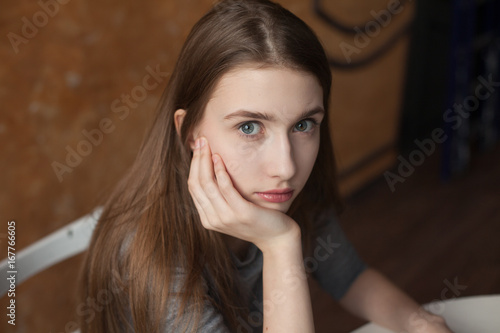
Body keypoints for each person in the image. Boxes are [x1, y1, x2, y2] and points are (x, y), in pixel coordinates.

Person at [78, 0, 453, 332]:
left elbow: (350, 277)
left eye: (303, 124)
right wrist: (279, 243)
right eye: (249, 127)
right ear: (190, 131)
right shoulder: (151, 255)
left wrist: (419, 322)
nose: (286, 166)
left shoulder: (288, 193)